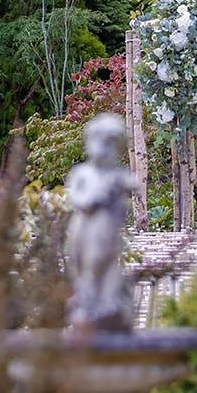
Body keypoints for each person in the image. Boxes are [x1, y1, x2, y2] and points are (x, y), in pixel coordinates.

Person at [64, 113, 140, 330]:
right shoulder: (83, 173)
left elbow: (132, 184)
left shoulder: (116, 173)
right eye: (101, 142)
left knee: (105, 264)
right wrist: (95, 197)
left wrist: (118, 186)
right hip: (83, 228)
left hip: (106, 229)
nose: (105, 149)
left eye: (112, 144)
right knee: (85, 264)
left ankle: (109, 303)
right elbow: (77, 198)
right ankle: (87, 304)